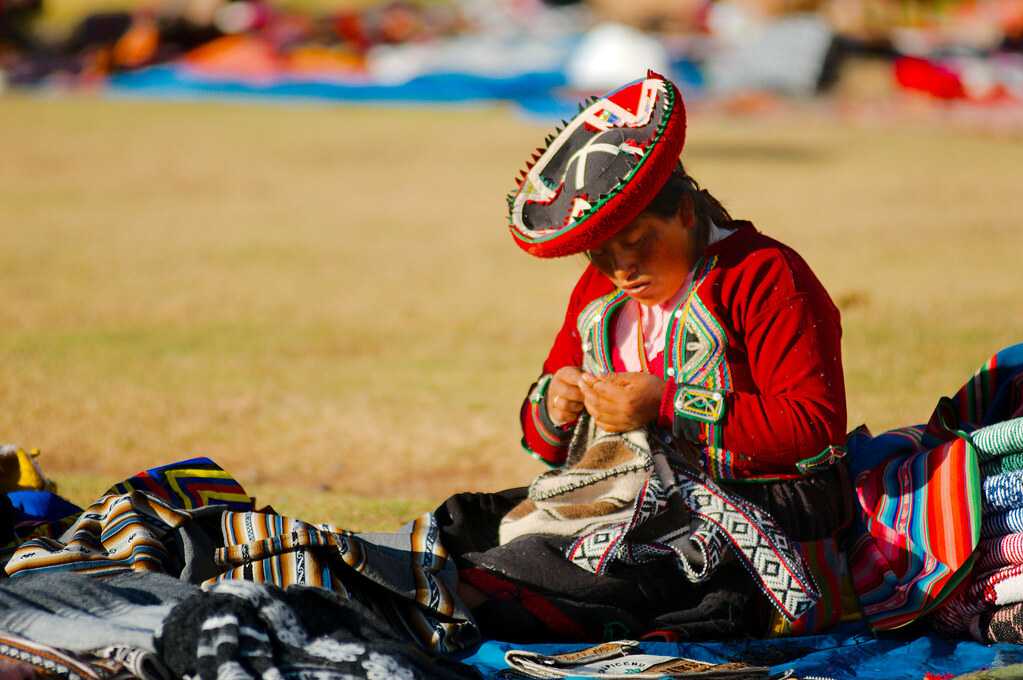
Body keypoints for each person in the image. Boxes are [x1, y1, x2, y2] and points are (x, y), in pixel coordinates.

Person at [497, 71, 857, 638]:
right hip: (630, 504)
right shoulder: (599, 294)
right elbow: (542, 440)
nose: (621, 270)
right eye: (600, 255)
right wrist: (557, 403)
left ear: (686, 213)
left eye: (638, 242)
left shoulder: (763, 276)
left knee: (552, 573)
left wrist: (665, 404)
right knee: (472, 520)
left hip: (765, 512)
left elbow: (814, 431)